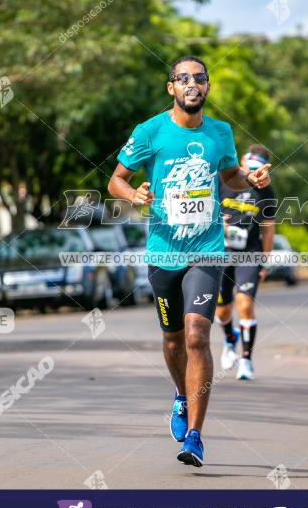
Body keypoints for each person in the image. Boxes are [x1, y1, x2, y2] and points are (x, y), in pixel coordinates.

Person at [107, 56, 271, 467]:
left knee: (198, 335)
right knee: (173, 340)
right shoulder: (150, 131)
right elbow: (116, 180)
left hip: (207, 249)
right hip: (164, 250)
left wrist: (249, 180)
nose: (192, 84)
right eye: (183, 79)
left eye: (199, 78)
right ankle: (181, 396)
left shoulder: (220, 132)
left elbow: (230, 173)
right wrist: (134, 197)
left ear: (208, 87)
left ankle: (195, 436)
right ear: (172, 88)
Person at [214, 145, 277, 380]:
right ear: (240, 161)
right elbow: (207, 213)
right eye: (247, 167)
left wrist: (265, 262)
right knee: (222, 312)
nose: (251, 172)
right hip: (220, 253)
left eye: (255, 169)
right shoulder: (223, 181)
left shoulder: (265, 191)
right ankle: (230, 338)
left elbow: (268, 229)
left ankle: (246, 360)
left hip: (249, 254)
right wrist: (218, 225)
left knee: (245, 304)